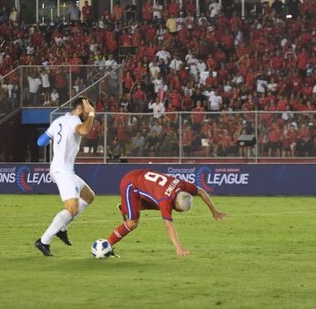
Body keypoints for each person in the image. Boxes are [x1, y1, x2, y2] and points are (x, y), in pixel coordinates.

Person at [106, 169, 227, 257]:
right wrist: (178, 247)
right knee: (132, 223)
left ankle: (128, 207)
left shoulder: (181, 185)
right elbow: (169, 225)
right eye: (179, 210)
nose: (179, 212)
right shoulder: (165, 200)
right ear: (176, 204)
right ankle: (107, 246)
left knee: (157, 204)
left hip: (141, 176)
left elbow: (201, 192)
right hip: (131, 184)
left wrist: (214, 211)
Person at [34, 96, 97, 256]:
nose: (87, 113)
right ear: (80, 108)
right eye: (86, 109)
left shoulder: (59, 121)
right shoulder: (75, 120)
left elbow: (40, 142)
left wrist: (57, 139)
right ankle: (44, 241)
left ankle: (62, 228)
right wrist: (92, 115)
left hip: (63, 169)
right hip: (63, 171)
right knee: (72, 208)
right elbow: (83, 130)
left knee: (88, 196)